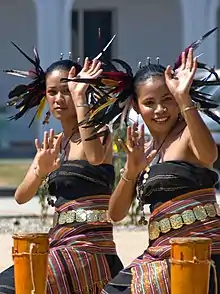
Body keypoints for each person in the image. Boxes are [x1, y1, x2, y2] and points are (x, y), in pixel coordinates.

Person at [0, 44, 123, 293]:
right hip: (60, 242)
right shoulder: (54, 144)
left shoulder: (98, 132)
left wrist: (80, 98)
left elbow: (96, 158)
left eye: (66, 90)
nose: (58, 99)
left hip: (89, 247)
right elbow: (21, 196)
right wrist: (41, 169)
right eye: (52, 92)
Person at [100, 49, 220, 293]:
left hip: (202, 252)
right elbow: (115, 213)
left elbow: (210, 155)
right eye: (149, 103)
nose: (159, 110)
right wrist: (131, 170)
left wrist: (185, 98)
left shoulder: (187, 134)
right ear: (135, 105)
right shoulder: (142, 151)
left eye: (167, 99)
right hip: (159, 253)